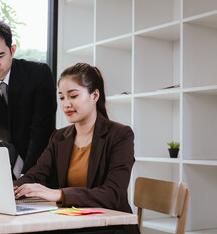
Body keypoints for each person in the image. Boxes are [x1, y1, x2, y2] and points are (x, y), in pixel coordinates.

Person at [14, 62, 138, 233]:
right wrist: (6, 189)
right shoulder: (59, 137)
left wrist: (59, 194)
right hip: (73, 224)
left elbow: (113, 194)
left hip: (111, 227)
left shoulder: (120, 135)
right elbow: (36, 175)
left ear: (94, 95)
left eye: (73, 96)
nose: (66, 104)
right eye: (62, 97)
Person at [0, 17, 57, 179]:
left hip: (44, 165)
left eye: (0, 56)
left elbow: (41, 131)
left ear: (12, 50)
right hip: (6, 167)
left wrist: (29, 177)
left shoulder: (39, 74)